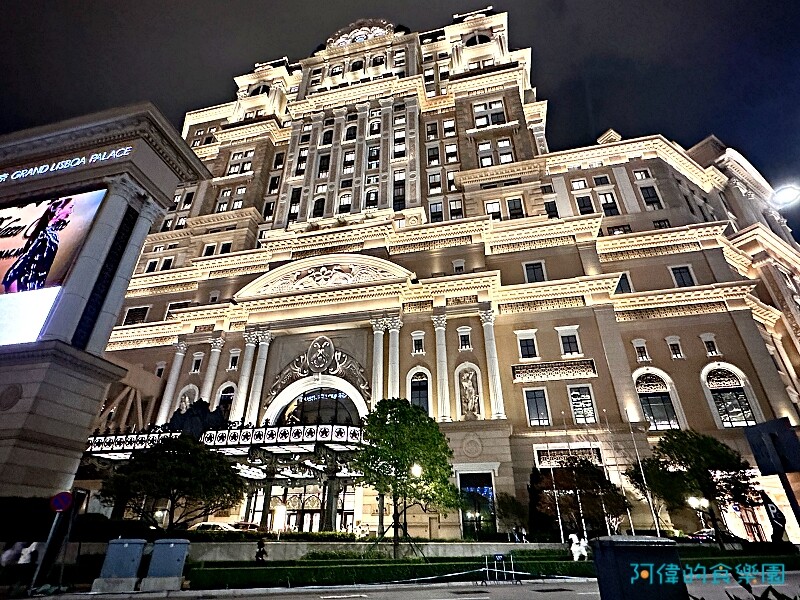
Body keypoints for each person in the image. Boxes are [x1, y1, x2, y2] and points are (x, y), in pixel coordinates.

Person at [2, 197, 74, 293]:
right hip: (25, 282)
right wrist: (11, 278)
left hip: (35, 284)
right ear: (58, 211)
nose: (71, 211)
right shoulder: (44, 234)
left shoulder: (51, 234)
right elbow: (27, 256)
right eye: (70, 207)